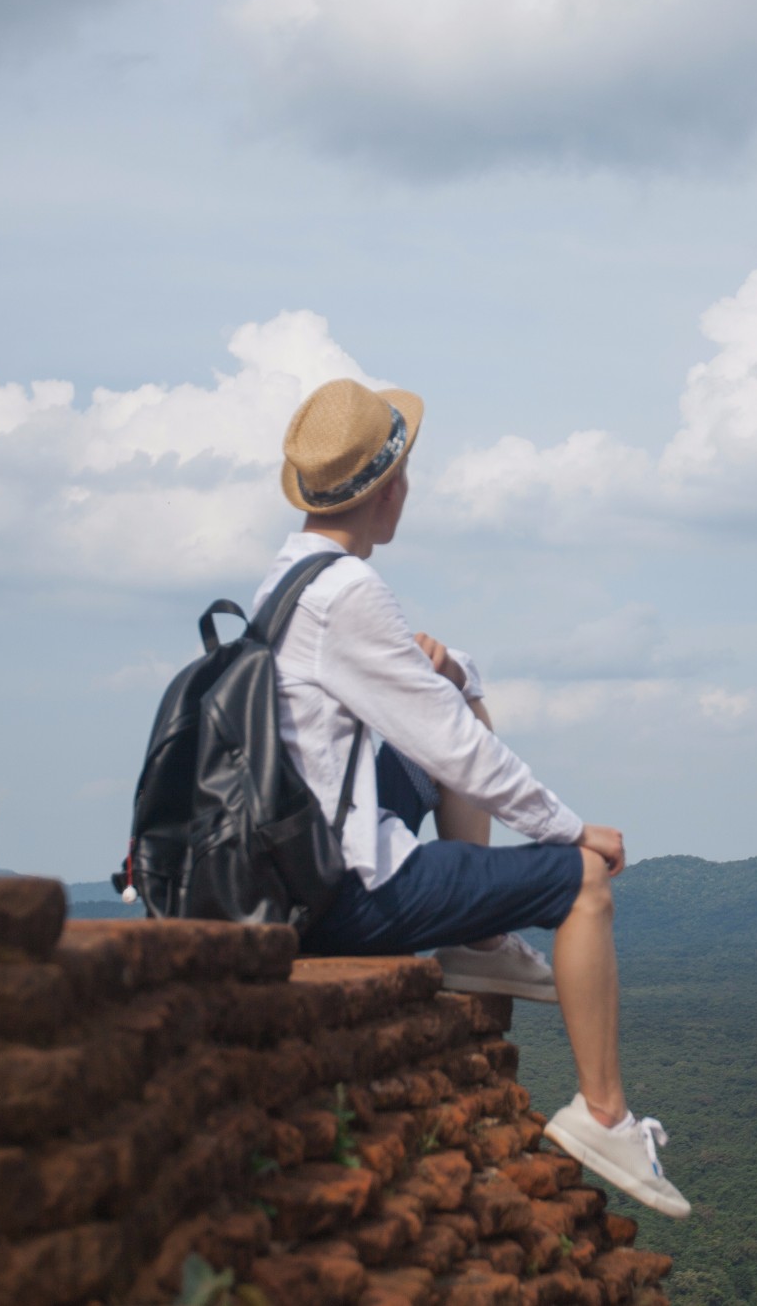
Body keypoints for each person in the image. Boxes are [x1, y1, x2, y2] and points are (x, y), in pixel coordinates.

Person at [254, 377, 688, 1218]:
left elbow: (443, 722)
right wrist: (572, 833)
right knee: (580, 884)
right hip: (345, 890)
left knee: (450, 711)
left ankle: (480, 938)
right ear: (393, 488)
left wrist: (452, 672)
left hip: (298, 854)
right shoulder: (351, 593)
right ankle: (604, 1115)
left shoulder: (290, 582)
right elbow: (460, 753)